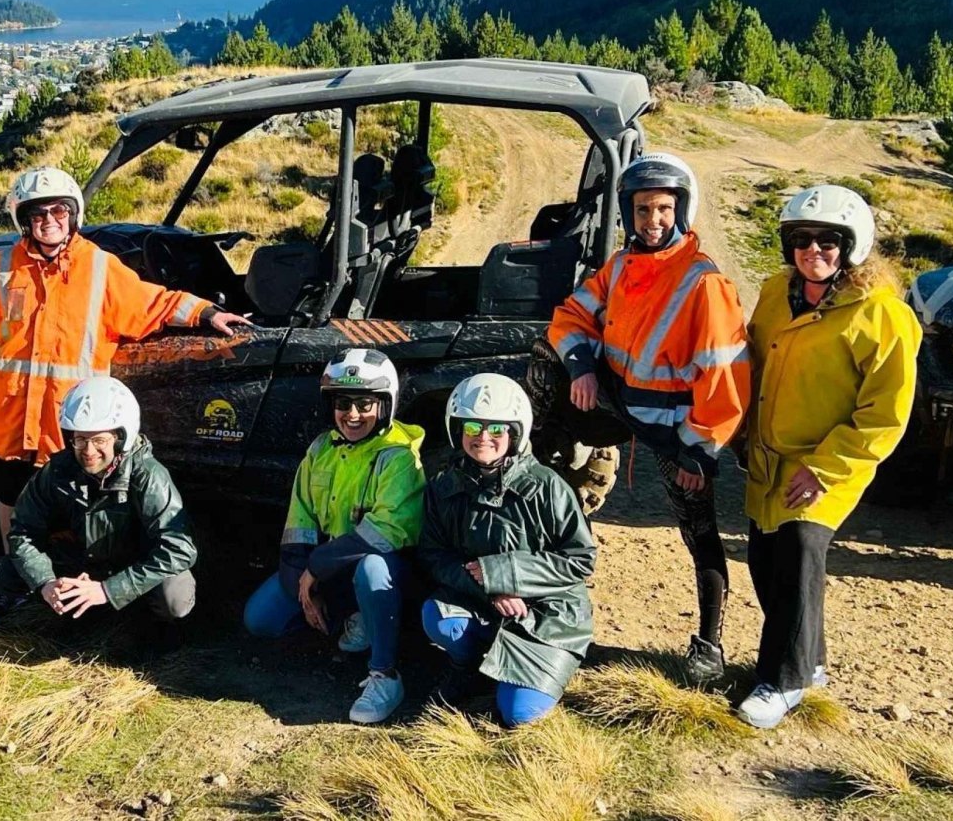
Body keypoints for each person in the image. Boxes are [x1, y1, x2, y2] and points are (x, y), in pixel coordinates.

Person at [0, 168, 250, 547]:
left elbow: (152, 303)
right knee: (12, 498)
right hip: (10, 418)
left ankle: (64, 581)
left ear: (73, 214)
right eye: (38, 214)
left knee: (71, 504)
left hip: (71, 419)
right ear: (24, 220)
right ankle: (17, 575)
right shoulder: (0, 268)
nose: (49, 221)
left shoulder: (98, 267)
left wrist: (206, 312)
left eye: (58, 211)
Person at [548, 151, 750, 683]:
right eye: (642, 210)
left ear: (682, 210)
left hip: (677, 434)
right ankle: (552, 617)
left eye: (662, 209)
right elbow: (570, 315)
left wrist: (697, 451)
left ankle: (710, 645)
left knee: (699, 534)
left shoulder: (703, 283)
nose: (652, 221)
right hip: (623, 410)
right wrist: (580, 366)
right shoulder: (620, 266)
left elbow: (724, 379)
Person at [735, 185, 920, 728]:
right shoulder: (775, 292)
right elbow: (751, 359)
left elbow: (885, 413)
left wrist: (824, 467)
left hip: (829, 461)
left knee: (798, 550)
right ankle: (810, 662)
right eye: (801, 239)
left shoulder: (883, 316)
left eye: (828, 241)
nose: (813, 250)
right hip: (768, 457)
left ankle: (783, 682)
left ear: (852, 246)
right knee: (767, 564)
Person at [242, 349, 426, 724]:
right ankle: (340, 620)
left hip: (386, 572)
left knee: (373, 570)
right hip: (328, 570)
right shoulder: (320, 450)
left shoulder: (399, 458)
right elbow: (300, 520)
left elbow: (388, 532)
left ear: (384, 405)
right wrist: (304, 586)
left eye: (364, 403)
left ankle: (385, 673)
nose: (353, 414)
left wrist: (316, 569)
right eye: (344, 402)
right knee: (259, 619)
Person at [419, 373, 596, 727]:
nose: (483, 437)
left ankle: (527, 670)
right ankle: (467, 667)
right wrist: (489, 586)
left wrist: (505, 574)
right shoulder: (443, 486)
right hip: (481, 600)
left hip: (547, 614)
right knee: (437, 618)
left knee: (519, 714)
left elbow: (579, 560)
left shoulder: (547, 487)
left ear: (515, 432)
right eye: (472, 426)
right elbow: (434, 554)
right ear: (458, 429)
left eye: (496, 429)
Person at [0, 376, 197, 624]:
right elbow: (22, 531)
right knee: (4, 572)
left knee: (174, 594)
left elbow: (178, 548)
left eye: (99, 440)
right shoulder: (58, 470)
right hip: (79, 561)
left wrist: (109, 590)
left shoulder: (149, 476)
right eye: (80, 440)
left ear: (120, 438)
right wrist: (46, 582)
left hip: (130, 565)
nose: (89, 451)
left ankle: (152, 630)